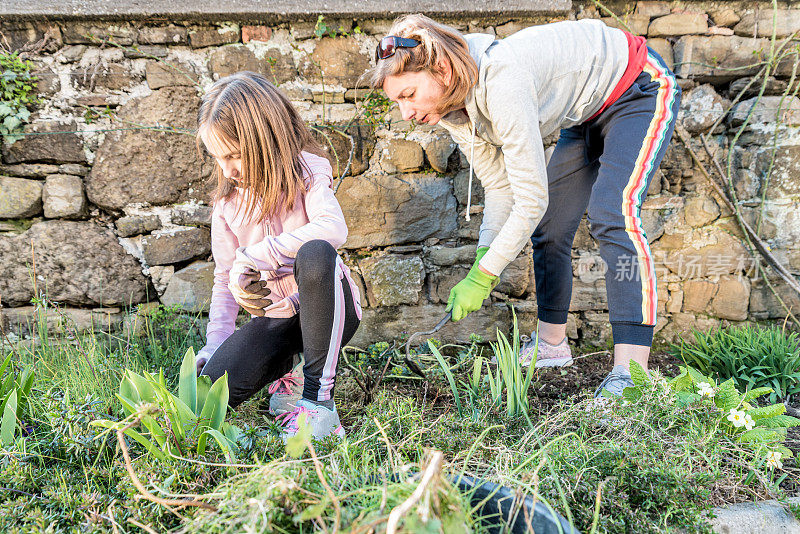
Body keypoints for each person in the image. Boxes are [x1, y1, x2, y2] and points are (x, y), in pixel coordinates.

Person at [369, 14, 681, 397]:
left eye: (409, 95)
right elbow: (501, 188)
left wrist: (484, 276)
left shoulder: (502, 81)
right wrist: (486, 251)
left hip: (638, 87)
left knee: (613, 214)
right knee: (549, 227)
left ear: (442, 69)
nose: (406, 113)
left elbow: (530, 199)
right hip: (585, 113)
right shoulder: (453, 110)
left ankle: (631, 372)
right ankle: (552, 345)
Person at [194, 71, 362, 440]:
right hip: (279, 320)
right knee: (205, 398)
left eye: (234, 155)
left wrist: (257, 255)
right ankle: (288, 369)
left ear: (264, 140)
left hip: (331, 308)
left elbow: (333, 229)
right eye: (217, 158)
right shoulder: (227, 205)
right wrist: (214, 344)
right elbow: (224, 280)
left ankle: (318, 404)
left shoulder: (309, 171)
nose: (227, 170)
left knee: (316, 253)